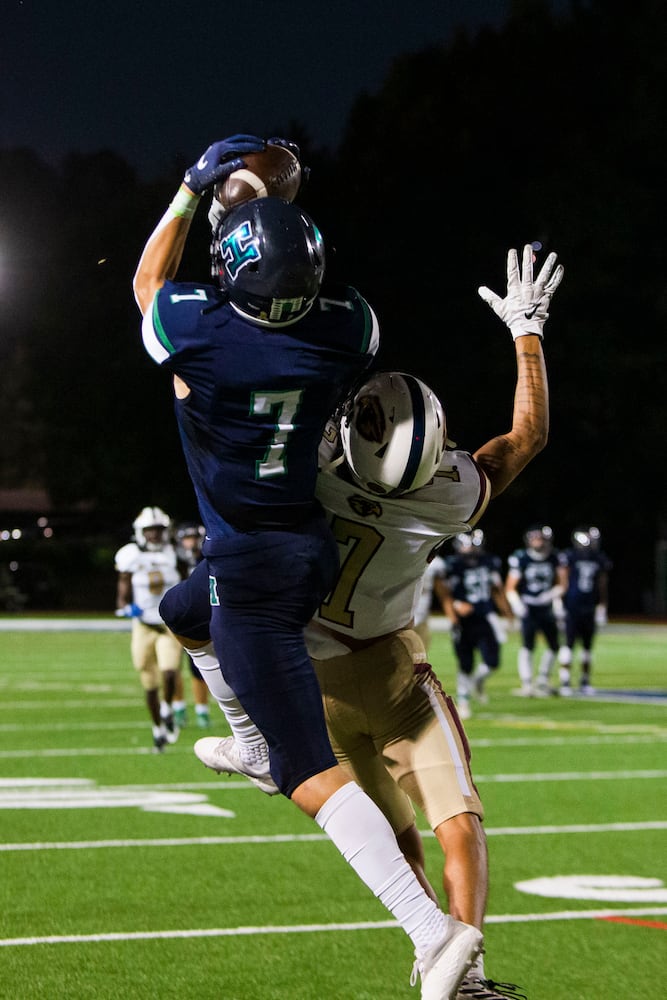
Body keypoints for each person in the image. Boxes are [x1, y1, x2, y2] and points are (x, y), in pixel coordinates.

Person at [133, 133, 485, 999]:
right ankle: (252, 743)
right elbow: (296, 287)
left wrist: (191, 190)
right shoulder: (347, 328)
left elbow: (146, 283)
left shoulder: (199, 331)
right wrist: (269, 216)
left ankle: (431, 931)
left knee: (309, 772)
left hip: (251, 569)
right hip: (301, 550)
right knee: (180, 613)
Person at [162, 243, 563, 999]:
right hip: (391, 675)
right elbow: (524, 437)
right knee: (456, 819)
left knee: (391, 831)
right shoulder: (449, 493)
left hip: (306, 672)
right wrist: (526, 332)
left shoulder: (306, 473)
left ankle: (253, 740)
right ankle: (463, 968)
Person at [114, 506, 184, 751]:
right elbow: (123, 586)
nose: (154, 534)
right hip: (143, 624)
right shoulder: (130, 554)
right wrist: (124, 605)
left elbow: (188, 581)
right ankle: (157, 729)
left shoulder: (175, 552)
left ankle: (167, 709)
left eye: (158, 529)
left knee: (169, 670)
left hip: (168, 624)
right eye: (150, 530)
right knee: (148, 680)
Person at [435, 530, 514, 720]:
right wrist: (454, 608)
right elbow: (443, 592)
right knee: (465, 663)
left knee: (493, 662)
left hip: (484, 617)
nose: (470, 550)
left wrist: (507, 612)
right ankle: (463, 701)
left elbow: (497, 589)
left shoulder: (489, 562)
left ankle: (477, 682)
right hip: (464, 622)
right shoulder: (451, 565)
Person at [505, 525, 568, 697]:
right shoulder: (522, 558)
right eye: (535, 538)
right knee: (527, 645)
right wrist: (517, 603)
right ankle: (527, 683)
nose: (538, 542)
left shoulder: (555, 557)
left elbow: (563, 583)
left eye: (541, 539)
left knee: (554, 645)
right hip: (529, 606)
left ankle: (543, 679)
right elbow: (510, 587)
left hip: (546, 606)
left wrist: (552, 596)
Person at [557, 526, 612, 695]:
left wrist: (602, 606)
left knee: (586, 646)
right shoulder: (571, 557)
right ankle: (565, 680)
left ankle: (584, 680)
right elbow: (563, 582)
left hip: (587, 606)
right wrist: (559, 603)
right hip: (573, 606)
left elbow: (602, 584)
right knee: (569, 644)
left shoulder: (596, 558)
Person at [174, 522, 211, 727]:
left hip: (200, 616)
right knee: (172, 666)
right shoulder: (174, 560)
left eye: (191, 537)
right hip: (175, 617)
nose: (189, 543)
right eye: (185, 538)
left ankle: (202, 710)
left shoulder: (204, 558)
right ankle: (178, 707)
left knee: (201, 665)